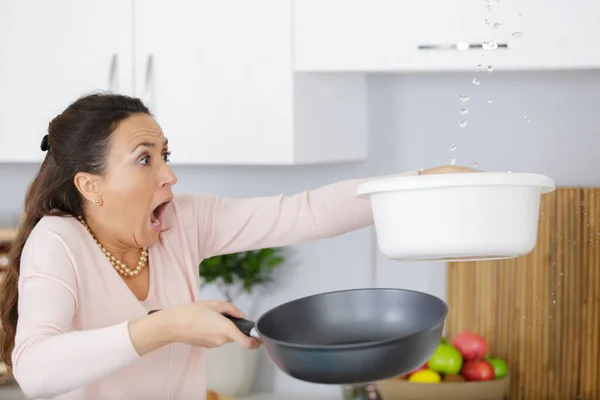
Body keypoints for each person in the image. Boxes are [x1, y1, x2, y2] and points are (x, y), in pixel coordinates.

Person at [0, 93, 476, 399]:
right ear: (91, 185)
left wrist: (418, 186)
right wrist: (164, 326)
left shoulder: (180, 221)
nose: (169, 174)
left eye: (165, 155)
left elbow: (305, 211)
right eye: (144, 159)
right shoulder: (58, 240)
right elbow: (37, 370)